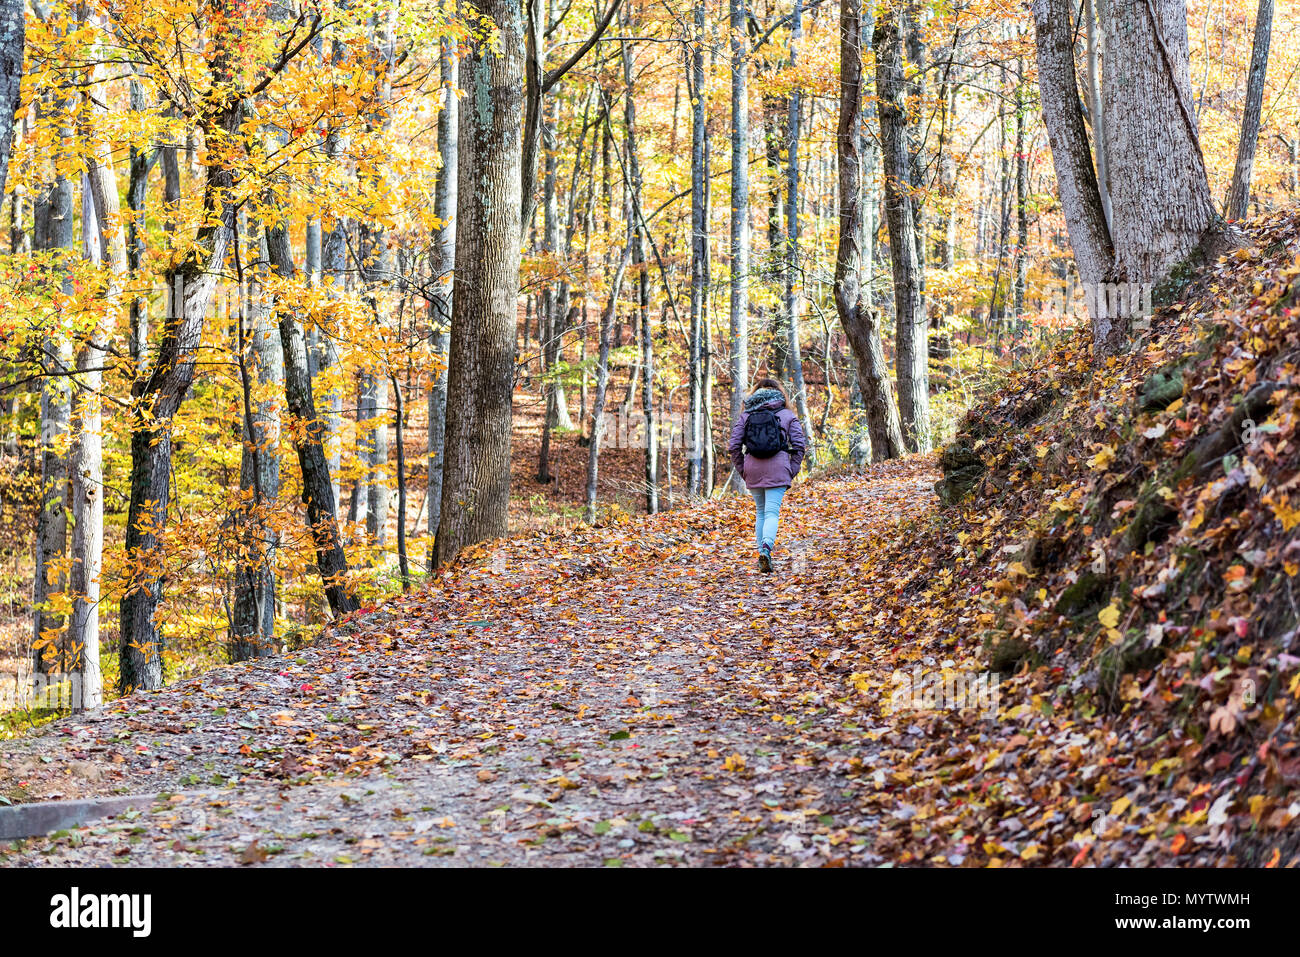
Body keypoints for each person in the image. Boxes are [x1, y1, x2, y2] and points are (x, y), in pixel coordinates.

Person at [727, 378, 806, 572]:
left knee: (761, 512)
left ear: (755, 394)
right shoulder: (787, 414)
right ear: (780, 394)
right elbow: (799, 446)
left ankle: (762, 552)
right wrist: (791, 470)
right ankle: (766, 550)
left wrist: (743, 470)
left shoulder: (746, 415)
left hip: (752, 467)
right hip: (778, 467)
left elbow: (733, 447)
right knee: (771, 512)